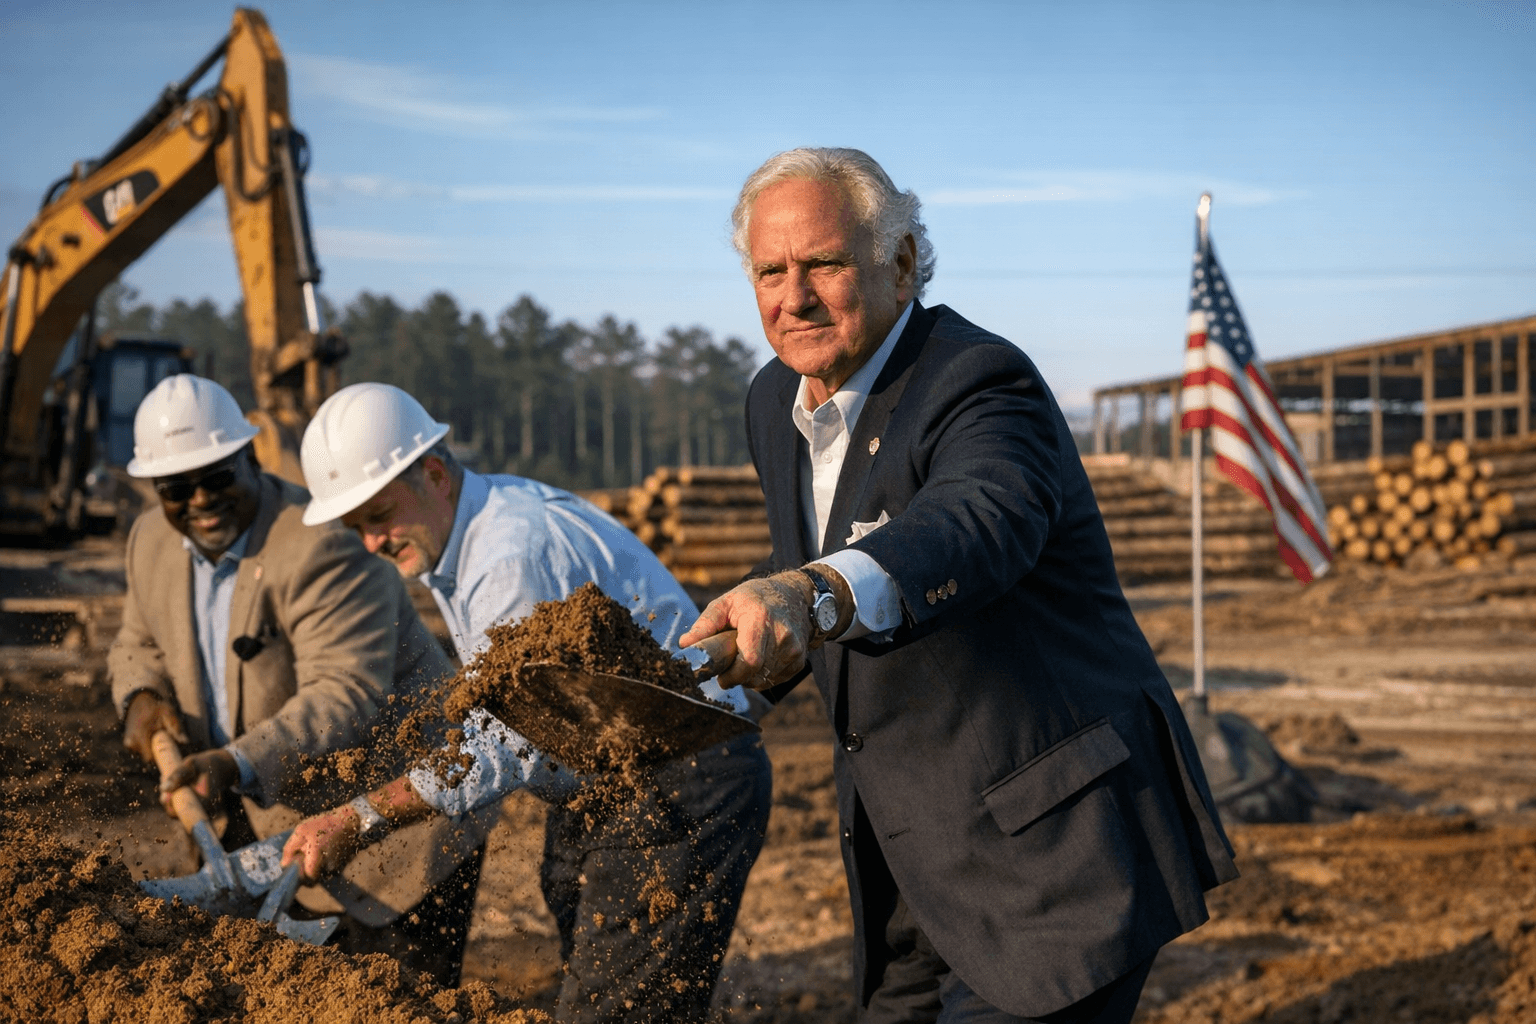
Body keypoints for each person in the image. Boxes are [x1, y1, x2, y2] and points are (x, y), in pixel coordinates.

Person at [677, 148, 1239, 1024]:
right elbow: (823, 589)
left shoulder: (978, 380)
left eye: (823, 262)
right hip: (913, 860)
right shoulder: (774, 401)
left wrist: (810, 594)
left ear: (899, 262)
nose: (794, 297)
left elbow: (977, 523)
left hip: (1051, 856)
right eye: (769, 271)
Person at [279, 382, 772, 1023]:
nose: (371, 541)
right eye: (357, 527)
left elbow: (507, 742)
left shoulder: (505, 555)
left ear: (433, 473)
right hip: (613, 769)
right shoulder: (474, 529)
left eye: (378, 515)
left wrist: (362, 816)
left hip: (679, 776)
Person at [110, 374, 495, 986]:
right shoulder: (150, 540)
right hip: (266, 830)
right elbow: (138, 642)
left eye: (217, 477)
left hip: (395, 830)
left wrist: (233, 763)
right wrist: (141, 697)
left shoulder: (325, 541)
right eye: (178, 488)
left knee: (396, 1001)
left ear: (250, 458)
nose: (201, 500)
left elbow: (346, 690)